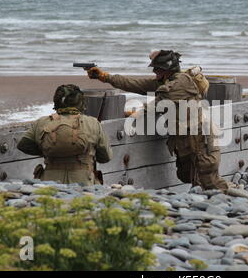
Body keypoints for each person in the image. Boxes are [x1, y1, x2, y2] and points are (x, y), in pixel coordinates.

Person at [85, 50, 230, 192]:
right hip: (187, 141)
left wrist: (134, 115)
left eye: (157, 69)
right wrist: (105, 77)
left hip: (200, 141)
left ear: (167, 70)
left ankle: (229, 201)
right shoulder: (170, 79)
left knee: (210, 181)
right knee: (191, 177)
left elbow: (155, 105)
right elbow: (135, 84)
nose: (154, 72)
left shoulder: (177, 85)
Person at [17, 84, 113, 185]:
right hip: (84, 181)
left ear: (56, 102)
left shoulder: (41, 123)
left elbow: (23, 145)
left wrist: (48, 150)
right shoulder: (92, 123)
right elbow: (105, 157)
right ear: (80, 102)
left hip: (49, 181)